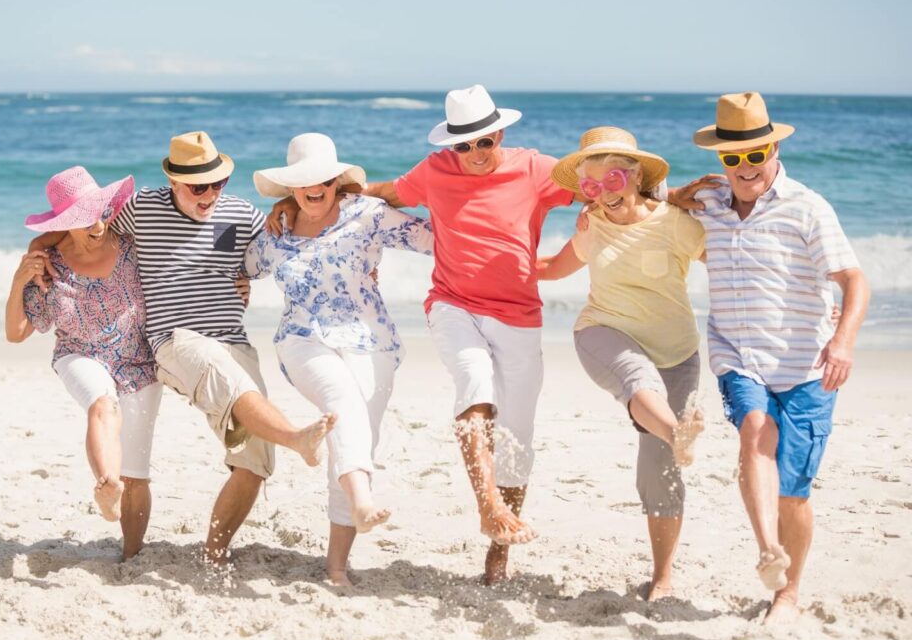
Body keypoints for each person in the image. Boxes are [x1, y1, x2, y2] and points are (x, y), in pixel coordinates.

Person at [269, 85, 575, 584]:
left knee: (517, 434)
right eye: (463, 145)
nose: (475, 153)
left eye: (483, 142)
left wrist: (665, 197)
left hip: (519, 312)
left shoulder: (537, 168)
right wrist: (303, 200)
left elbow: (604, 191)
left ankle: (498, 553)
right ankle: (487, 506)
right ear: (450, 146)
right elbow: (384, 193)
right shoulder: (436, 171)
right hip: (453, 303)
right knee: (474, 385)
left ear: (500, 132)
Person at [30, 132, 335, 566]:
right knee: (217, 370)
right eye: (198, 187)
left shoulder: (239, 215)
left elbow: (287, 237)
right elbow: (81, 231)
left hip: (232, 338)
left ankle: (214, 550)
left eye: (217, 183)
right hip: (175, 341)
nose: (209, 194)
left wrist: (287, 204)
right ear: (173, 183)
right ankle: (296, 436)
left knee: (254, 459)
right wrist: (36, 249)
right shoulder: (141, 209)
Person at [678, 92, 870, 622]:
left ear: (773, 148)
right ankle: (768, 552)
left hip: (808, 367)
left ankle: (789, 591)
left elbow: (854, 279)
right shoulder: (711, 199)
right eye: (732, 158)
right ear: (720, 159)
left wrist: (844, 342)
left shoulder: (806, 206)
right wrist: (678, 192)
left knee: (793, 494)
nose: (744, 168)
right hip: (738, 353)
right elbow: (649, 199)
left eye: (753, 155)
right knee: (754, 429)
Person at [244, 133, 433, 585]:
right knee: (341, 400)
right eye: (302, 182)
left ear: (335, 181)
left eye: (322, 180)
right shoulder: (278, 230)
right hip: (302, 339)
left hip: (372, 341)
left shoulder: (367, 215)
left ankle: (336, 566)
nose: (313, 189)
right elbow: (239, 267)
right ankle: (363, 503)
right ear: (291, 187)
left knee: (352, 435)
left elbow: (436, 240)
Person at [536, 126, 706, 600]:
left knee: (659, 470)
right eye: (589, 186)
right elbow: (551, 269)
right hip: (603, 332)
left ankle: (663, 578)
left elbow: (733, 263)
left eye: (612, 180)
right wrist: (484, 262)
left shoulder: (675, 223)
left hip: (676, 350)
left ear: (634, 176)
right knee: (639, 381)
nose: (602, 193)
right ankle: (677, 433)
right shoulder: (593, 225)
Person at [5, 166, 161, 560]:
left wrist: (235, 283)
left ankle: (130, 554)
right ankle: (106, 485)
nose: (96, 226)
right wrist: (17, 281)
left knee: (138, 472)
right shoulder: (49, 266)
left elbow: (182, 257)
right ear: (64, 224)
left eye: (101, 214)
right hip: (80, 353)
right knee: (101, 403)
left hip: (140, 361)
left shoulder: (132, 245)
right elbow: (17, 332)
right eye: (82, 219)